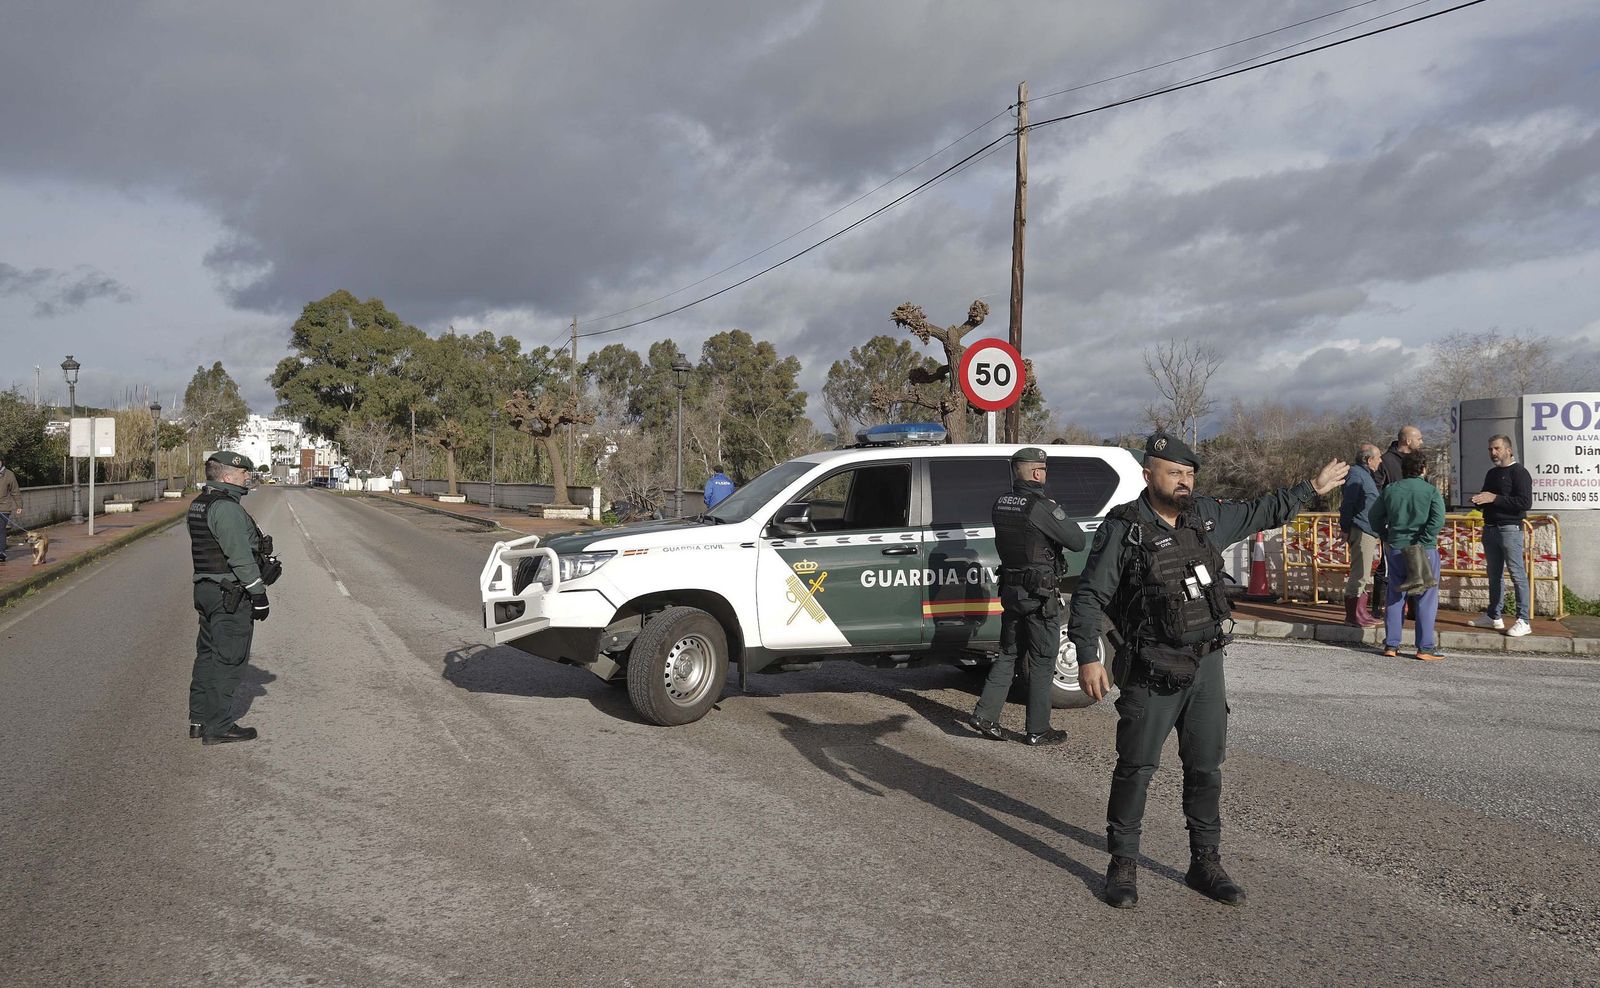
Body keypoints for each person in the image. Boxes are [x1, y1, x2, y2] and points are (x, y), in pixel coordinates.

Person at [1071, 432, 1347, 909]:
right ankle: (1123, 863)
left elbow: (1263, 510)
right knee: (1136, 768)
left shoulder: (1206, 518)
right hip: (1152, 665)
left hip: (1206, 664)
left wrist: (1311, 488)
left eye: (1189, 474)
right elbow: (1090, 595)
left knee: (1205, 768)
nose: (1184, 481)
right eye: (1174, 472)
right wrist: (1088, 656)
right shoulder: (1125, 528)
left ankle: (1205, 862)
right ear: (1148, 475)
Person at [969, 447, 1086, 746]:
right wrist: (1057, 511)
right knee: (1043, 659)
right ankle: (1038, 729)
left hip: (1011, 592)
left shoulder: (1001, 504)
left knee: (1008, 653)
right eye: (1044, 469)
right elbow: (1076, 540)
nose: (1045, 474)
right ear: (1037, 472)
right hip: (1039, 596)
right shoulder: (1042, 507)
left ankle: (985, 715)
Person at [188, 451, 282, 745]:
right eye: (243, 473)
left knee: (207, 655)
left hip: (206, 589)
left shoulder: (200, 503)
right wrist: (258, 594)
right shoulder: (226, 509)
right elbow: (239, 557)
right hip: (229, 593)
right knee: (228, 659)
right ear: (228, 476)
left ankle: (199, 719)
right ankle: (218, 727)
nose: (247, 477)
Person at [1371, 450, 1445, 661]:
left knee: (1395, 594)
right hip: (1424, 548)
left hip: (1396, 547)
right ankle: (1425, 647)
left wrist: (1386, 535)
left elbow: (1374, 516)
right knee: (1426, 597)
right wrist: (1425, 538)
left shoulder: (1391, 490)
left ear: (1403, 469)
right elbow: (1438, 519)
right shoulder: (1430, 491)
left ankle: (1391, 644)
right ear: (1424, 469)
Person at [1468, 434, 1533, 638]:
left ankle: (1523, 620)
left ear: (1509, 450)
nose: (1493, 453)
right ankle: (1493, 615)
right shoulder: (1492, 473)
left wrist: (1494, 498)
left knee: (1517, 574)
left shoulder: (1519, 473)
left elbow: (1524, 503)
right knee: (1494, 574)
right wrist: (1479, 501)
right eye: (1490, 449)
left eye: (1497, 448)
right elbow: (1488, 497)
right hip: (1490, 528)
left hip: (1510, 529)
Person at [1338, 443, 1383, 627]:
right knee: (1360, 572)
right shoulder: (1357, 475)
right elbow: (1348, 503)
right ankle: (1353, 615)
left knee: (1363, 572)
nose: (1380, 461)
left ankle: (1360, 612)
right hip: (1361, 529)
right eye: (1378, 457)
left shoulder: (1364, 475)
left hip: (1367, 529)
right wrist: (1345, 527)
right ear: (1369, 459)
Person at [1375, 425, 1423, 489]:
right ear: (1408, 441)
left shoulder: (1419, 460)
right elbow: (1377, 487)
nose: (1421, 442)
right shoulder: (1385, 461)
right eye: (1419, 439)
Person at [0, 456, 22, 563]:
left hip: (4, 508)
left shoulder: (9, 474)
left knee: (1, 529)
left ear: (1, 462)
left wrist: (19, 506)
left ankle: (1, 553)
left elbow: (15, 491)